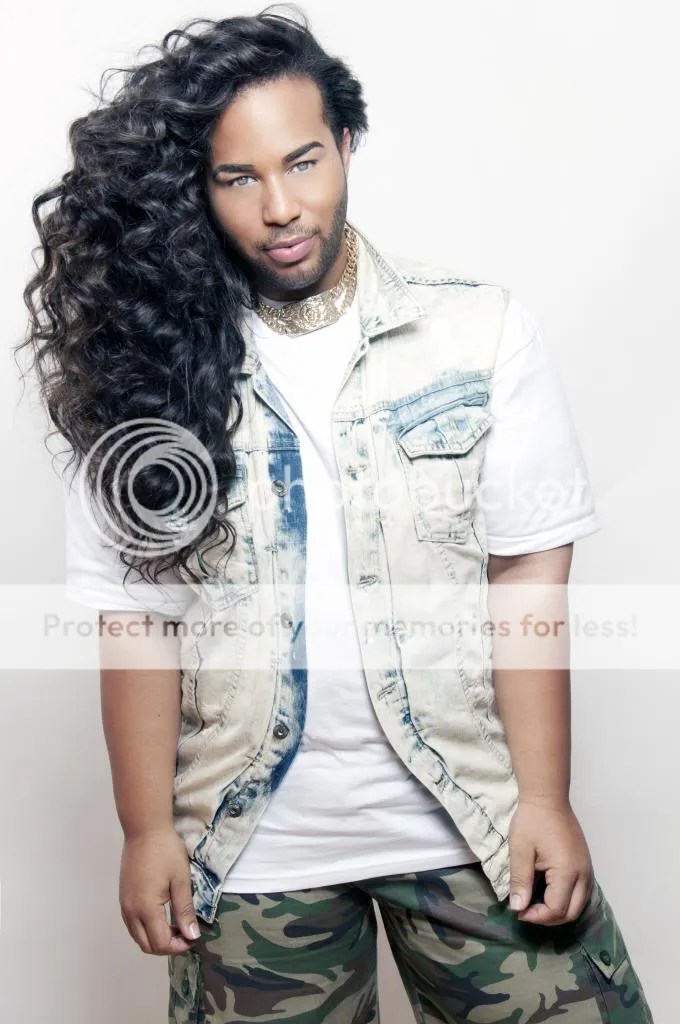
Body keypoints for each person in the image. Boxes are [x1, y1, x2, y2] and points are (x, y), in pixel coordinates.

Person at [19, 6, 655, 1022]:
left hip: (474, 822)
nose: (280, 207)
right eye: (237, 178)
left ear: (346, 143)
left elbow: (526, 574)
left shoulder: (476, 332)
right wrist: (145, 829)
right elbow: (137, 619)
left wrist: (543, 798)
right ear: (196, 188)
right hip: (252, 852)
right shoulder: (141, 367)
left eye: (303, 161)